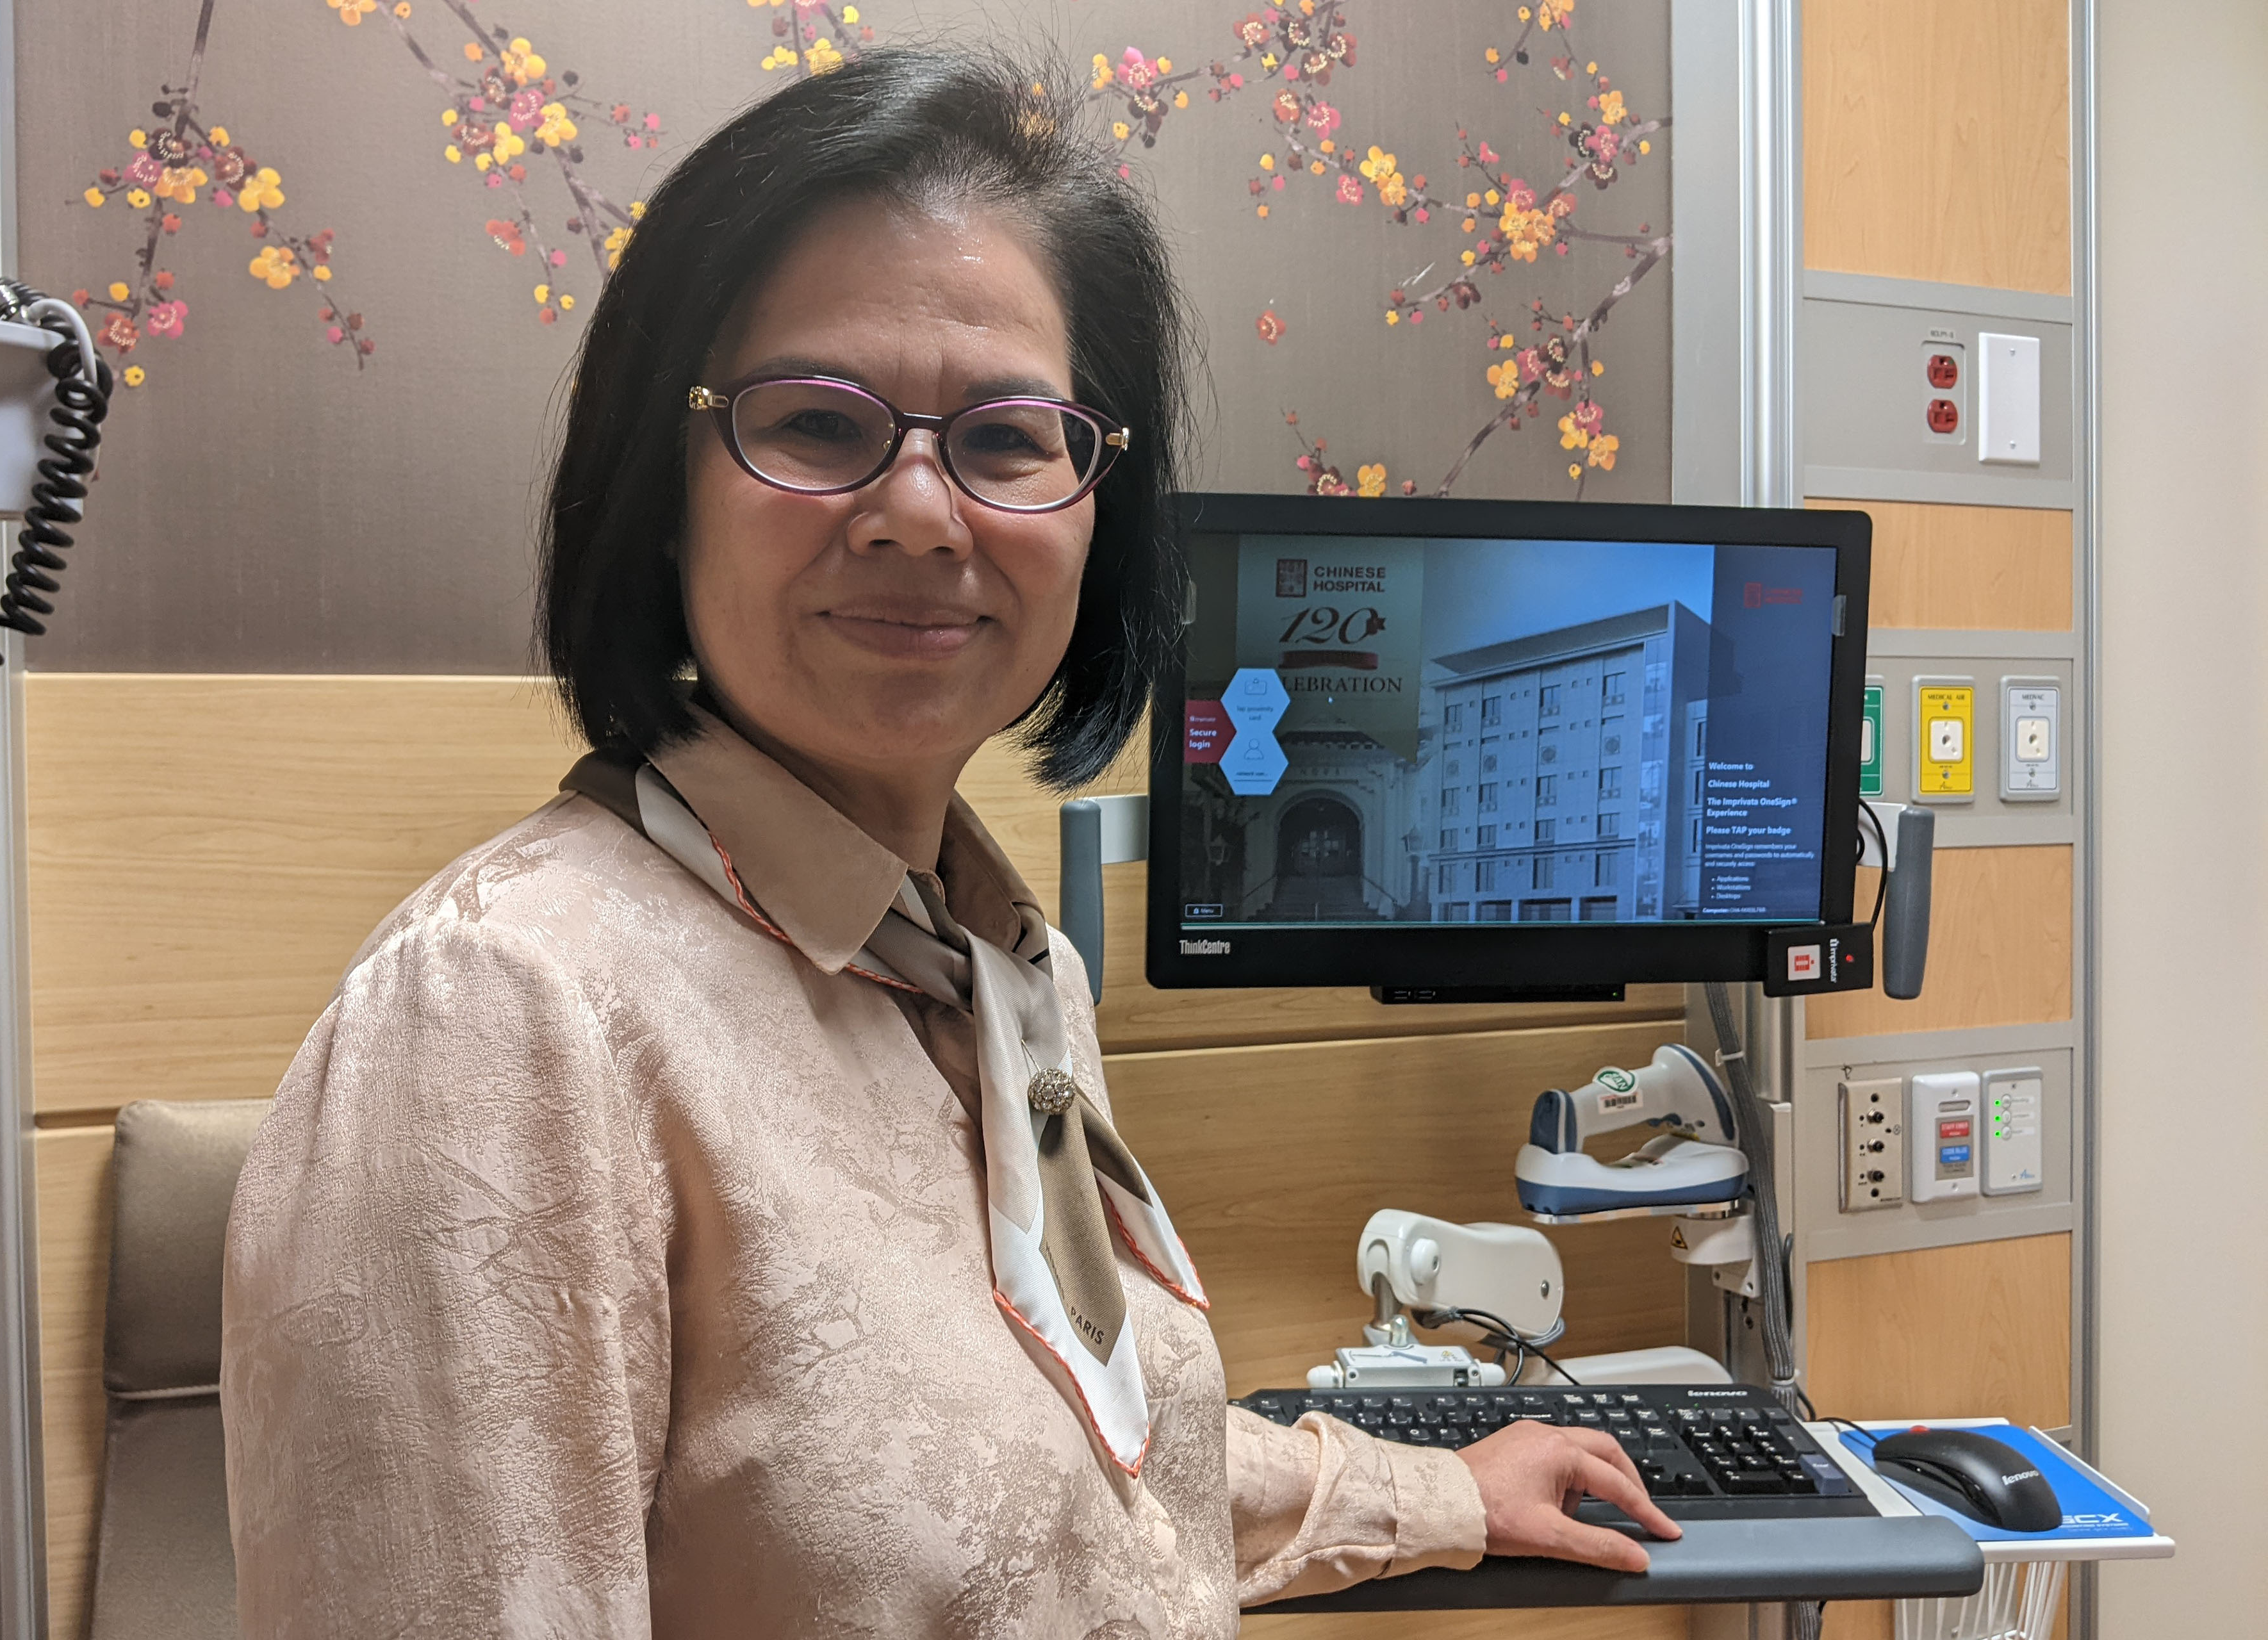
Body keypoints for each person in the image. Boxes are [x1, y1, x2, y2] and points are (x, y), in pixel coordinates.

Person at [220, 47, 1677, 1637]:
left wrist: (1447, 1489)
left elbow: (1079, 1481)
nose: (922, 510)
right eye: (818, 420)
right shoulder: (503, 1016)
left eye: (1005, 439)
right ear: (661, 490)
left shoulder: (992, 965)